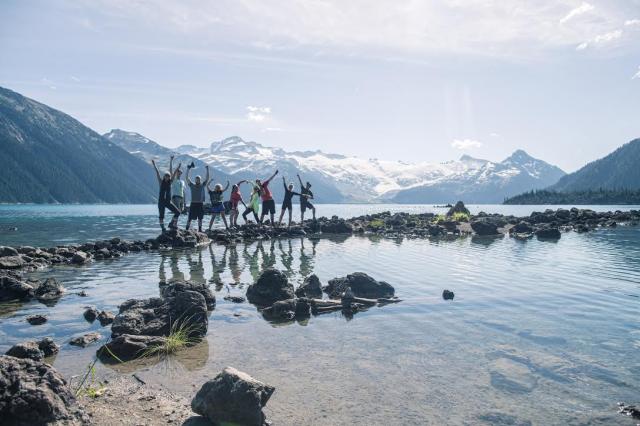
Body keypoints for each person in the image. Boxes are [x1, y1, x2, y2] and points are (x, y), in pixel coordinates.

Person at [151, 156, 181, 232]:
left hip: (168, 202)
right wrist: (154, 165)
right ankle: (163, 229)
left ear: (169, 177)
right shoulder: (161, 182)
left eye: (168, 176)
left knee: (178, 212)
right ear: (164, 177)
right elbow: (157, 173)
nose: (167, 177)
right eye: (166, 176)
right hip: (161, 202)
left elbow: (173, 173)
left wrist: (178, 167)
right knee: (161, 217)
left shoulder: (170, 182)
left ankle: (173, 224)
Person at [186, 165, 210, 232]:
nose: (197, 180)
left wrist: (207, 169)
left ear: (200, 180)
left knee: (200, 217)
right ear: (195, 180)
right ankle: (187, 229)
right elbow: (187, 178)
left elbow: (207, 178)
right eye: (196, 179)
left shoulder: (202, 185)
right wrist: (188, 169)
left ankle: (200, 229)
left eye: (198, 179)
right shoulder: (192, 185)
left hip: (200, 203)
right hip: (193, 203)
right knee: (190, 218)